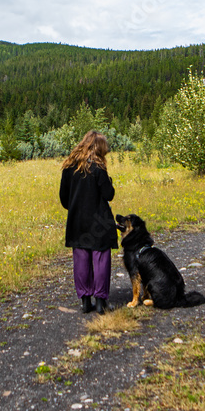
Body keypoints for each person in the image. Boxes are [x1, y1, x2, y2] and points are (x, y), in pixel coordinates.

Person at [59, 130, 117, 314]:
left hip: (77, 221)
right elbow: (109, 194)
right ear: (99, 148)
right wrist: (109, 181)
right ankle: (100, 302)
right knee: (100, 260)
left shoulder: (69, 167)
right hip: (99, 221)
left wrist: (76, 207)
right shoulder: (98, 167)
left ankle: (85, 301)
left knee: (81, 260)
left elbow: (64, 199)